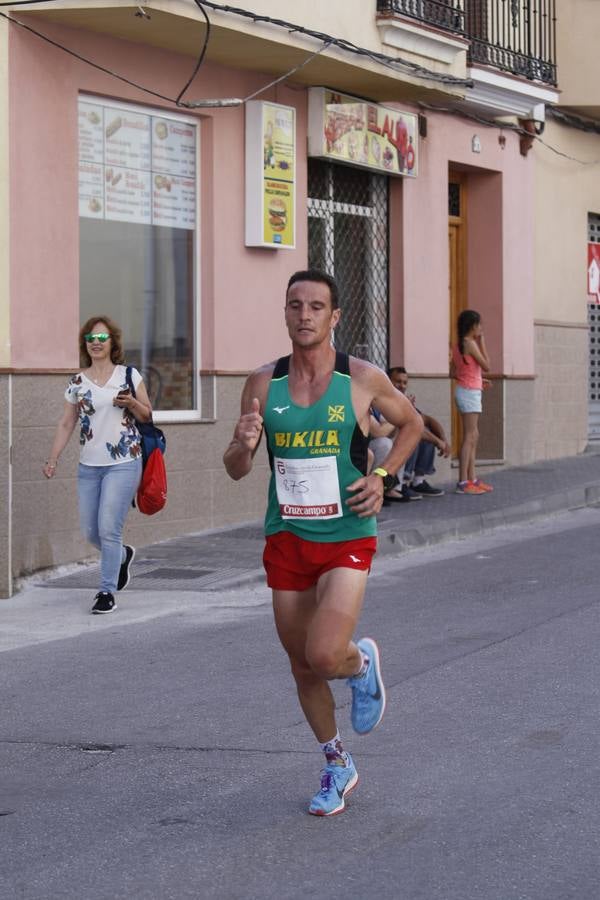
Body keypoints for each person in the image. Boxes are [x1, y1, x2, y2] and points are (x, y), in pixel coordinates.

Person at [223, 269, 422, 816]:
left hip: (346, 535)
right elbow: (237, 468)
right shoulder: (264, 383)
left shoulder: (361, 378)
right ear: (285, 313)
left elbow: (413, 423)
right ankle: (337, 763)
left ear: (334, 318)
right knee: (302, 665)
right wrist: (242, 446)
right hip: (286, 535)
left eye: (316, 307)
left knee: (324, 652)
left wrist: (383, 480)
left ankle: (359, 666)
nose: (304, 315)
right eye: (295, 305)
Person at [43, 316, 152, 613]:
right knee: (91, 531)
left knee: (108, 529)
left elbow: (147, 415)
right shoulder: (77, 382)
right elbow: (67, 423)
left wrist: (130, 403)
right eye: (91, 338)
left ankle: (106, 591)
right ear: (85, 343)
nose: (96, 343)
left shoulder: (129, 375)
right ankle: (121, 556)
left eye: (102, 338)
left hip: (124, 461)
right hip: (89, 465)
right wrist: (53, 457)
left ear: (112, 343)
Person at [388, 366, 450, 499]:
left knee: (425, 430)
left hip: (395, 441)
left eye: (405, 383)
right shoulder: (386, 400)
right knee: (414, 434)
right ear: (388, 381)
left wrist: (443, 439)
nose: (402, 386)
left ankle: (418, 481)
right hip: (385, 441)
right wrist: (438, 442)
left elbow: (428, 420)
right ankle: (402, 482)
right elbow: (414, 428)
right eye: (398, 381)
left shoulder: (404, 401)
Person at [450, 309, 493, 494]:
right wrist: (482, 341)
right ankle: (462, 482)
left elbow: (455, 372)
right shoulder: (470, 343)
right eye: (479, 324)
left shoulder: (458, 344)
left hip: (467, 390)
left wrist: (477, 380)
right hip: (469, 392)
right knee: (469, 436)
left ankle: (472, 479)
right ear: (472, 326)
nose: (481, 328)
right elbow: (487, 366)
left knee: (474, 435)